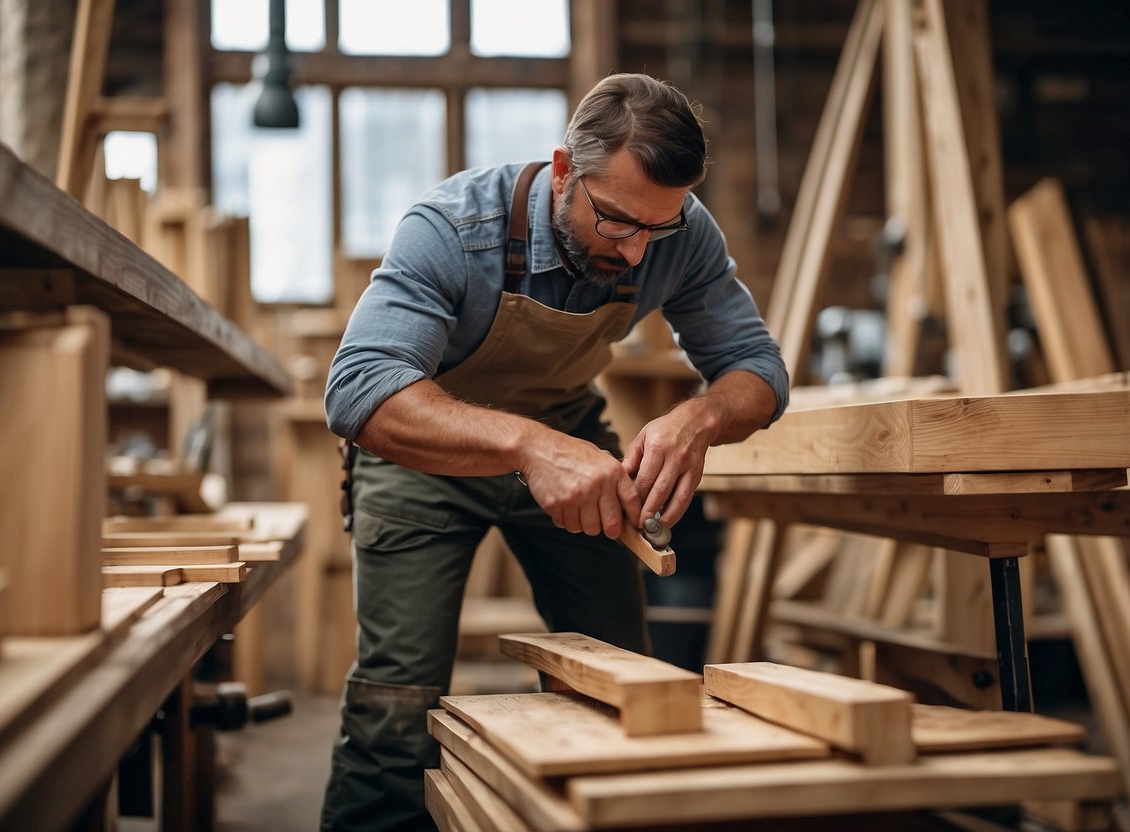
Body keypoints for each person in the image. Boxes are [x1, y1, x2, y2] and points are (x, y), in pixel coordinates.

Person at [321, 72, 788, 831]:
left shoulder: (677, 230)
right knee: (395, 699)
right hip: (427, 454)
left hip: (572, 441)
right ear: (563, 170)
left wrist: (697, 418)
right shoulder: (450, 228)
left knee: (618, 683)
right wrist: (525, 444)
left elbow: (758, 371)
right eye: (615, 223)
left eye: (656, 230)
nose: (637, 253)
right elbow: (360, 394)